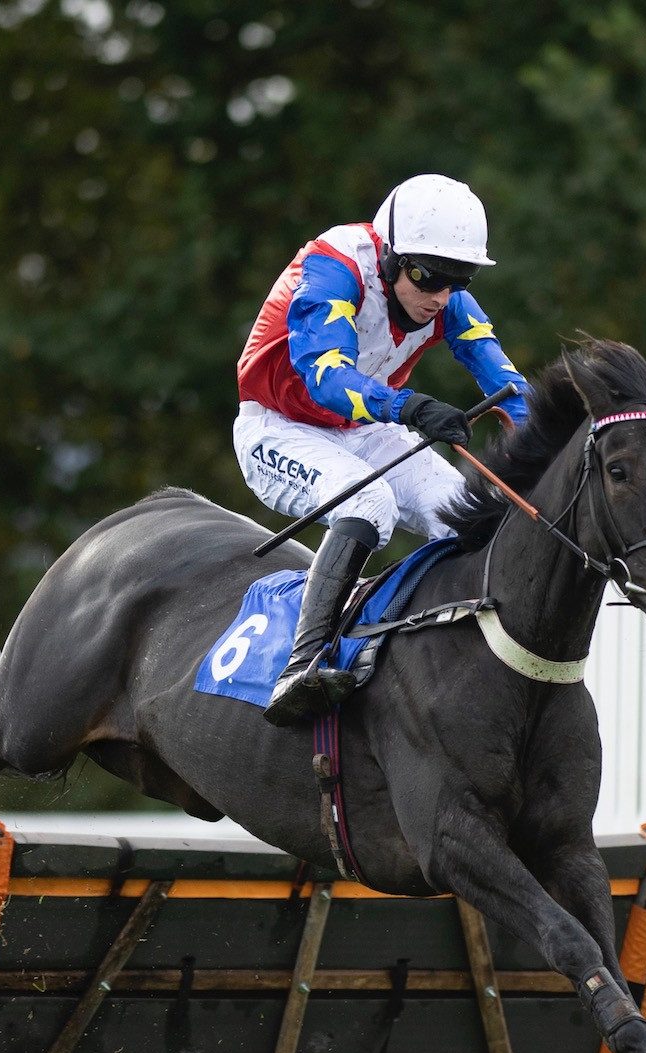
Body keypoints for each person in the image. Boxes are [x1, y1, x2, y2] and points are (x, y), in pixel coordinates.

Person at [235, 173, 533, 724]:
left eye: (458, 280)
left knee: (467, 515)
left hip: (364, 428)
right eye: (428, 278)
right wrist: (412, 407)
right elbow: (326, 378)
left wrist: (551, 443)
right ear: (392, 256)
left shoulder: (446, 299)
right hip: (278, 425)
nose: (441, 297)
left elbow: (511, 391)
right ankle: (301, 668)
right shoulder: (332, 266)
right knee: (371, 506)